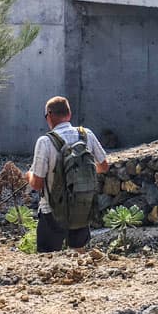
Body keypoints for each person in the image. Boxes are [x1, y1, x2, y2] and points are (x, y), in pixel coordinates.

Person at [26, 96, 110, 253]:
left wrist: (29, 174)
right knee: (79, 254)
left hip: (52, 212)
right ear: (69, 114)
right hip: (82, 207)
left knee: (47, 258)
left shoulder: (45, 142)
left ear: (49, 116)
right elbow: (104, 166)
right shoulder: (87, 135)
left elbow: (37, 184)